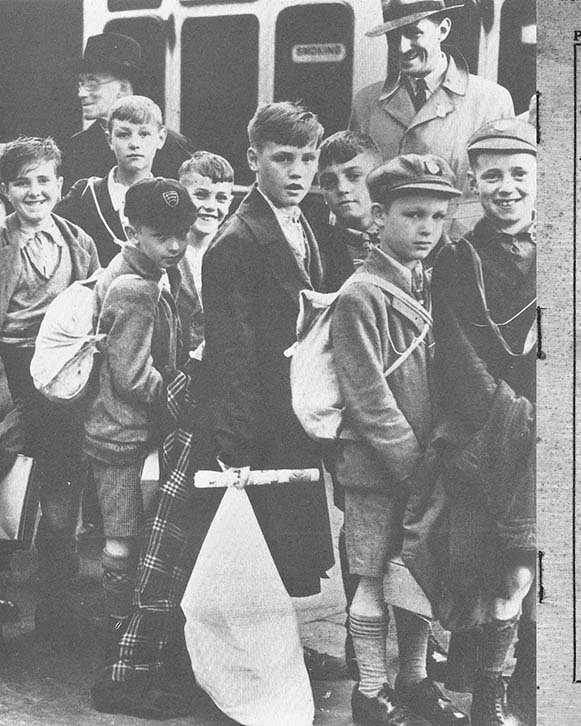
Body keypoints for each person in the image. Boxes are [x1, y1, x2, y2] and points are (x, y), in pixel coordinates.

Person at [200, 101, 342, 679]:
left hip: (294, 412)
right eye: (284, 158)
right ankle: (254, 662)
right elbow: (231, 352)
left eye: (308, 159)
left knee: (285, 545)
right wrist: (235, 443)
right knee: (260, 542)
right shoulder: (235, 240)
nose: (299, 172)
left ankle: (280, 648)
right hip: (258, 420)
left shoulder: (304, 222)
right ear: (253, 159)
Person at [330, 154, 466, 726]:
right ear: (379, 215)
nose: (427, 229)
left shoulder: (430, 283)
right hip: (376, 467)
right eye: (413, 214)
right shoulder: (362, 294)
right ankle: (370, 691)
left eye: (438, 216)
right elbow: (368, 399)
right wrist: (416, 466)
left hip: (425, 464)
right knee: (369, 577)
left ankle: (413, 680)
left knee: (414, 575)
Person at [430, 119, 537, 726]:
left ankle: (496, 696)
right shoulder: (457, 260)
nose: (507, 188)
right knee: (489, 569)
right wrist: (515, 415)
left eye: (520, 174)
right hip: (484, 435)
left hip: (541, 437)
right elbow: (456, 353)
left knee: (522, 567)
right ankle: (482, 693)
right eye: (492, 175)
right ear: (474, 181)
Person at [82, 177, 195, 660]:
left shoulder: (144, 269)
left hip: (128, 427)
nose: (174, 245)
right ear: (132, 230)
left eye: (182, 233)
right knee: (123, 538)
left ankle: (128, 621)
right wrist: (178, 395)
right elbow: (131, 376)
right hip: (121, 432)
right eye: (160, 234)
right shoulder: (135, 286)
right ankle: (117, 629)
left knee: (133, 532)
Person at [0, 137, 101, 641]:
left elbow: (91, 308)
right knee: (6, 486)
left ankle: (56, 604)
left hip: (63, 374)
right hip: (12, 374)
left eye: (44, 180)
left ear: (60, 186)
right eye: (22, 182)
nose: (34, 191)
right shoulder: (1, 246)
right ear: (5, 191)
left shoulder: (78, 241)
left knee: (63, 485)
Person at [349, 0, 514, 197]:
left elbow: (505, 189)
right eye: (393, 36)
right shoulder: (366, 103)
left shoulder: (492, 101)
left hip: (460, 228)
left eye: (413, 33)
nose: (402, 47)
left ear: (443, 30)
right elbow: (352, 183)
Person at [62, 32, 192, 187]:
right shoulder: (76, 149)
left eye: (92, 83)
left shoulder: (173, 146)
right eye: (81, 84)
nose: (81, 93)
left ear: (123, 88)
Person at [55, 95, 169, 265]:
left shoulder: (170, 197)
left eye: (144, 134)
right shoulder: (86, 194)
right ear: (109, 139)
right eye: (124, 135)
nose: (135, 144)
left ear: (161, 138)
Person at [175, 151, 235, 355]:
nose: (210, 206)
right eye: (201, 195)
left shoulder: (236, 254)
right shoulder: (164, 254)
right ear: (181, 194)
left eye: (221, 198)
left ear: (230, 202)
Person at [315, 130, 383, 291]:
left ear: (378, 179)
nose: (342, 188)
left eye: (353, 176)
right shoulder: (317, 251)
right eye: (329, 181)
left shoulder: (403, 237)